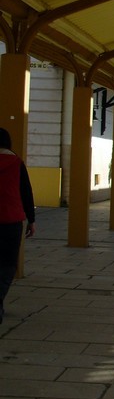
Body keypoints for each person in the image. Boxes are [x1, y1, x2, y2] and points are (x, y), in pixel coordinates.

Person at [0, 128, 35, 324]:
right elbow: (26, 192)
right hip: (11, 221)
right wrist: (31, 219)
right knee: (7, 265)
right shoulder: (16, 163)